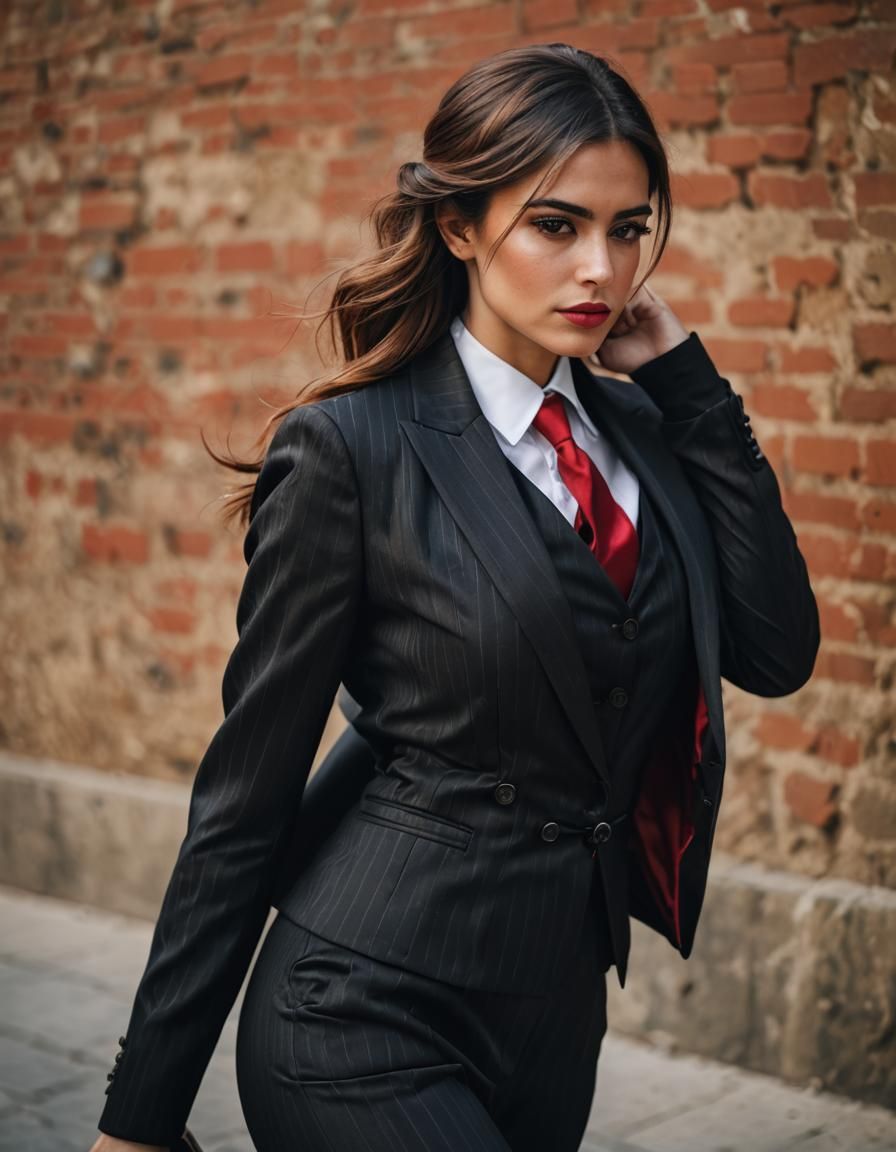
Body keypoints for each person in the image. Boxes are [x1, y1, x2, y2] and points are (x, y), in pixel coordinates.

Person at [90, 42, 819, 1152]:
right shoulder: (351, 449)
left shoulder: (643, 431)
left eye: (628, 230)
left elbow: (773, 650)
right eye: (555, 224)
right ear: (459, 226)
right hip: (357, 1008)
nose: (601, 272)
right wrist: (140, 1117)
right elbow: (244, 798)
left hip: (555, 1025)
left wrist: (689, 387)